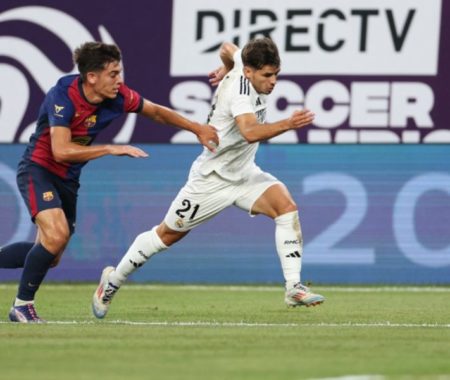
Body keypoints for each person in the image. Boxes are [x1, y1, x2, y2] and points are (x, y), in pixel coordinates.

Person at [92, 37, 324, 319]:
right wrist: (289, 123)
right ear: (249, 72)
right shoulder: (239, 93)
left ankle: (293, 287)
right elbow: (250, 131)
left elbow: (227, 47)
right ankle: (112, 281)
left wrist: (225, 66)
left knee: (286, 207)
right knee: (167, 234)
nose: (273, 81)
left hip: (244, 172)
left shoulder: (243, 62)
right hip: (212, 178)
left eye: (276, 74)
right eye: (267, 75)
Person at [0, 41, 219, 323]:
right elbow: (61, 150)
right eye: (113, 73)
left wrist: (196, 128)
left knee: (51, 254)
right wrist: (109, 148)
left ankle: (21, 300)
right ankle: (22, 306)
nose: (119, 80)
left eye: (119, 72)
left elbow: (155, 111)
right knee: (55, 237)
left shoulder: (119, 97)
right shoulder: (63, 96)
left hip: (68, 178)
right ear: (92, 77)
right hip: (39, 169)